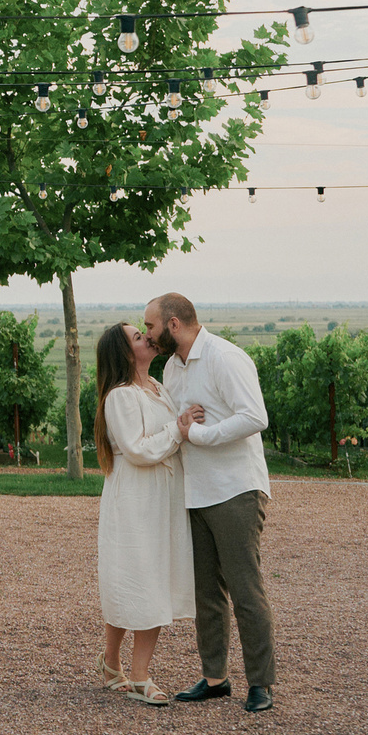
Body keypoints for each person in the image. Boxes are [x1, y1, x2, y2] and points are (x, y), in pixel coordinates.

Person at [144, 292, 276, 712]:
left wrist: (201, 435)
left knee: (245, 588)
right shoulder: (172, 367)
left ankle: (261, 683)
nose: (147, 333)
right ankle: (216, 678)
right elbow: (179, 424)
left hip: (235, 488)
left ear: (174, 324)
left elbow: (255, 416)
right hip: (195, 491)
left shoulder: (224, 357)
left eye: (150, 326)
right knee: (206, 592)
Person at [92, 320, 193, 706]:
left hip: (161, 495)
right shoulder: (121, 396)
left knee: (147, 577)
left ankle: (113, 664)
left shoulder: (157, 388)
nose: (148, 338)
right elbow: (137, 449)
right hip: (135, 498)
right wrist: (178, 433)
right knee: (138, 580)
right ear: (125, 353)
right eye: (138, 337)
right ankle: (138, 676)